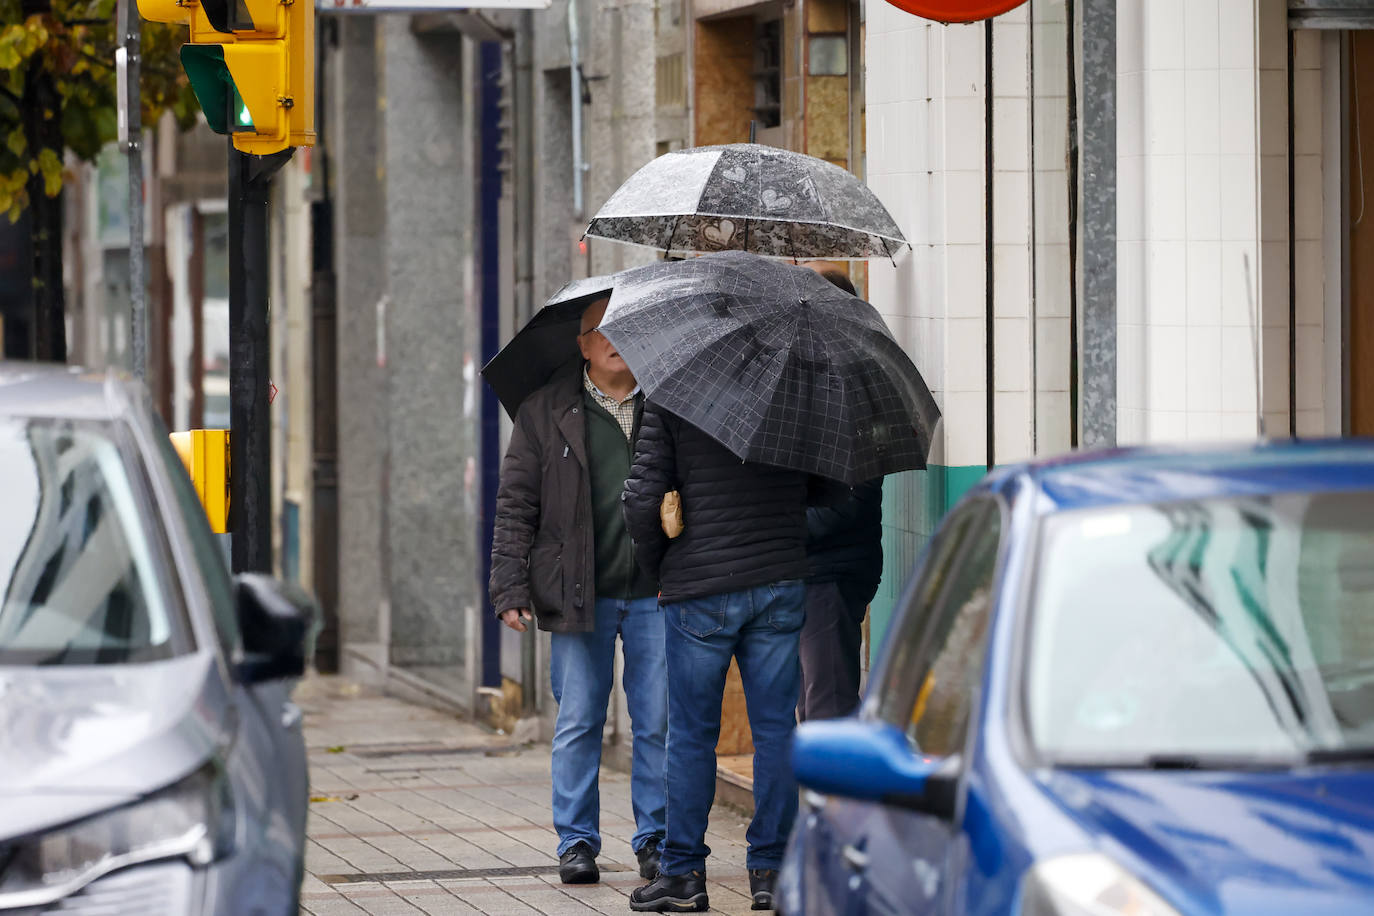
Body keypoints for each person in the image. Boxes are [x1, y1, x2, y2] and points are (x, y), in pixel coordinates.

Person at [489, 299, 667, 885]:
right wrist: (509, 585)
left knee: (659, 719)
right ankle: (577, 842)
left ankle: (657, 837)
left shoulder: (667, 405)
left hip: (656, 590)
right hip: (575, 591)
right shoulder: (544, 412)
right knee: (580, 719)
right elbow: (516, 504)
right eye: (600, 331)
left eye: (626, 328)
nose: (614, 339)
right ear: (583, 345)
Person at [622, 401, 814, 913]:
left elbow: (642, 497)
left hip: (699, 587)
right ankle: (773, 870)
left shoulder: (674, 390)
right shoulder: (799, 386)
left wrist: (660, 567)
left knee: (689, 735)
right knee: (776, 730)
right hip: (779, 579)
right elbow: (828, 487)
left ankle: (683, 874)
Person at [799, 268, 884, 721]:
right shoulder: (807, 380)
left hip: (830, 570)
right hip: (805, 567)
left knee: (827, 703)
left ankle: (835, 795)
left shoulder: (854, 384)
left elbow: (851, 499)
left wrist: (782, 528)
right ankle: (815, 793)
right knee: (808, 708)